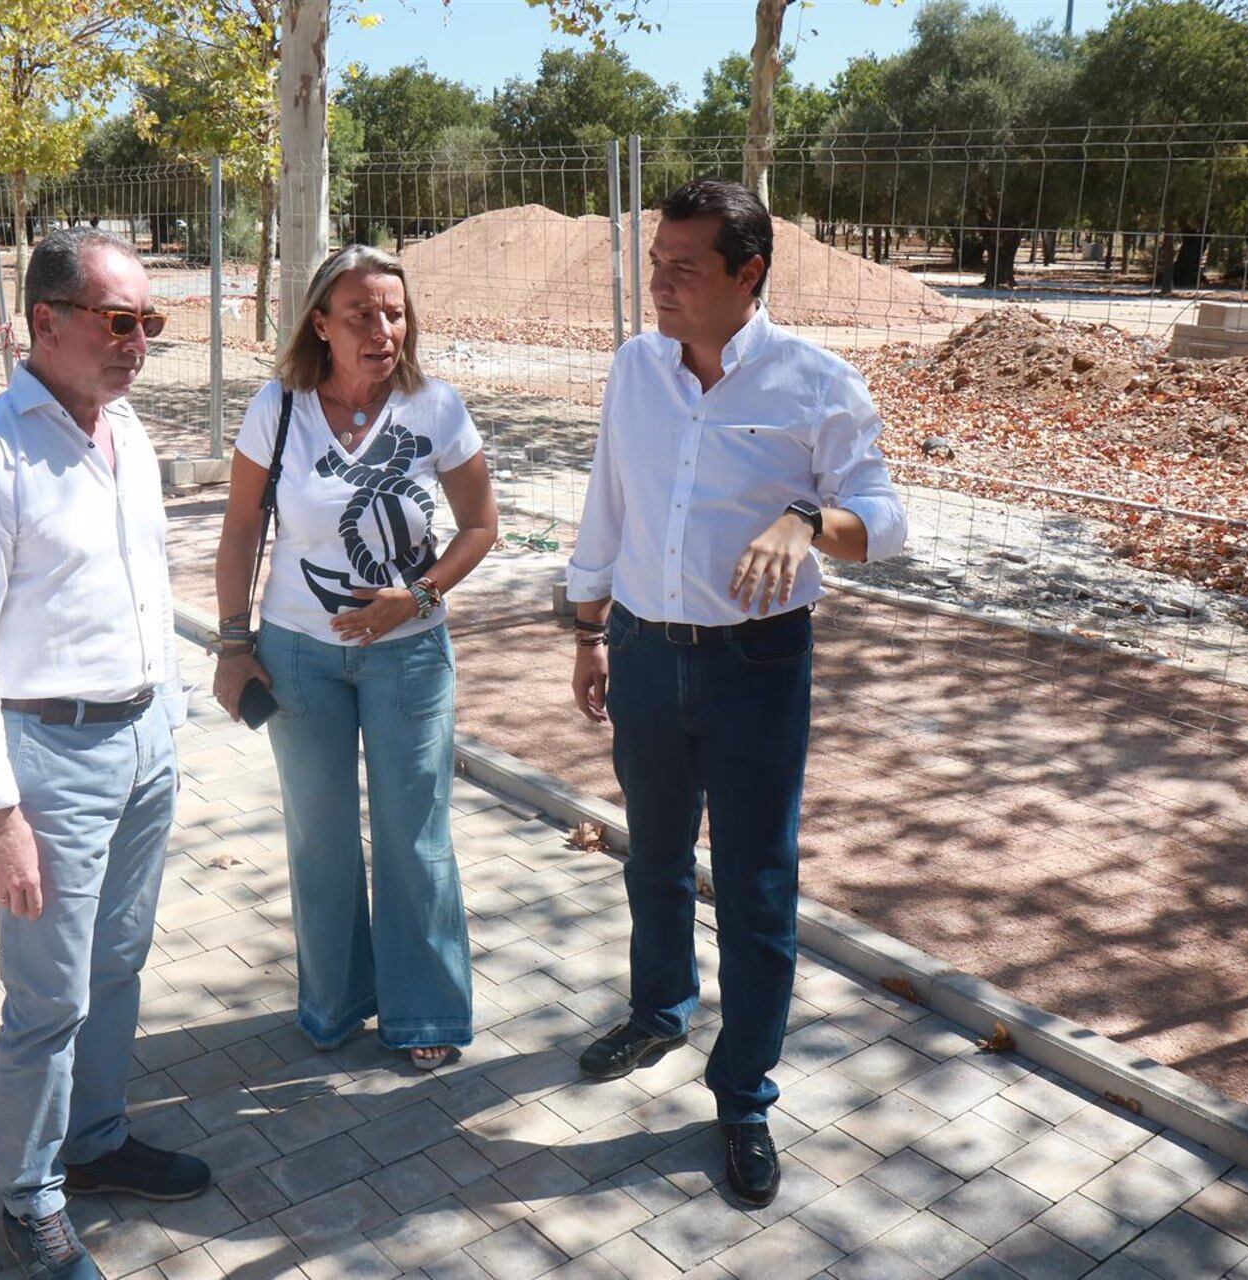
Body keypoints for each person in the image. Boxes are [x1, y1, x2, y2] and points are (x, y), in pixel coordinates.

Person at [565, 179, 907, 1206]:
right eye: (655, 262)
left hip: (759, 667)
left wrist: (809, 518)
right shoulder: (636, 367)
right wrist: (586, 628)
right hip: (644, 650)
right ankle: (660, 1005)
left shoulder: (815, 383)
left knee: (757, 888)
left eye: (683, 269)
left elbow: (886, 519)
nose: (659, 285)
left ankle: (743, 1092)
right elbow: (606, 498)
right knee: (655, 856)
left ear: (747, 275)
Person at [0, 228, 208, 1280]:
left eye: (152, 323)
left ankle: (95, 1144)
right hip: (49, 759)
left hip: (141, 741)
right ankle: (29, 1196)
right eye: (118, 321)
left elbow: (146, 589)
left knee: (118, 965)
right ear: (47, 323)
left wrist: (167, 717)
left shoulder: (124, 431)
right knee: (49, 999)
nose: (139, 343)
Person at [212, 245, 497, 1069]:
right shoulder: (278, 406)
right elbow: (238, 530)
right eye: (363, 315)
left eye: (396, 313)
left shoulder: (435, 408)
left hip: (408, 657)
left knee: (416, 838)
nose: (384, 329)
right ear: (321, 324)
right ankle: (334, 1006)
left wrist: (423, 594)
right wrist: (235, 646)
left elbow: (481, 525)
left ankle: (428, 1015)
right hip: (297, 656)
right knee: (320, 837)